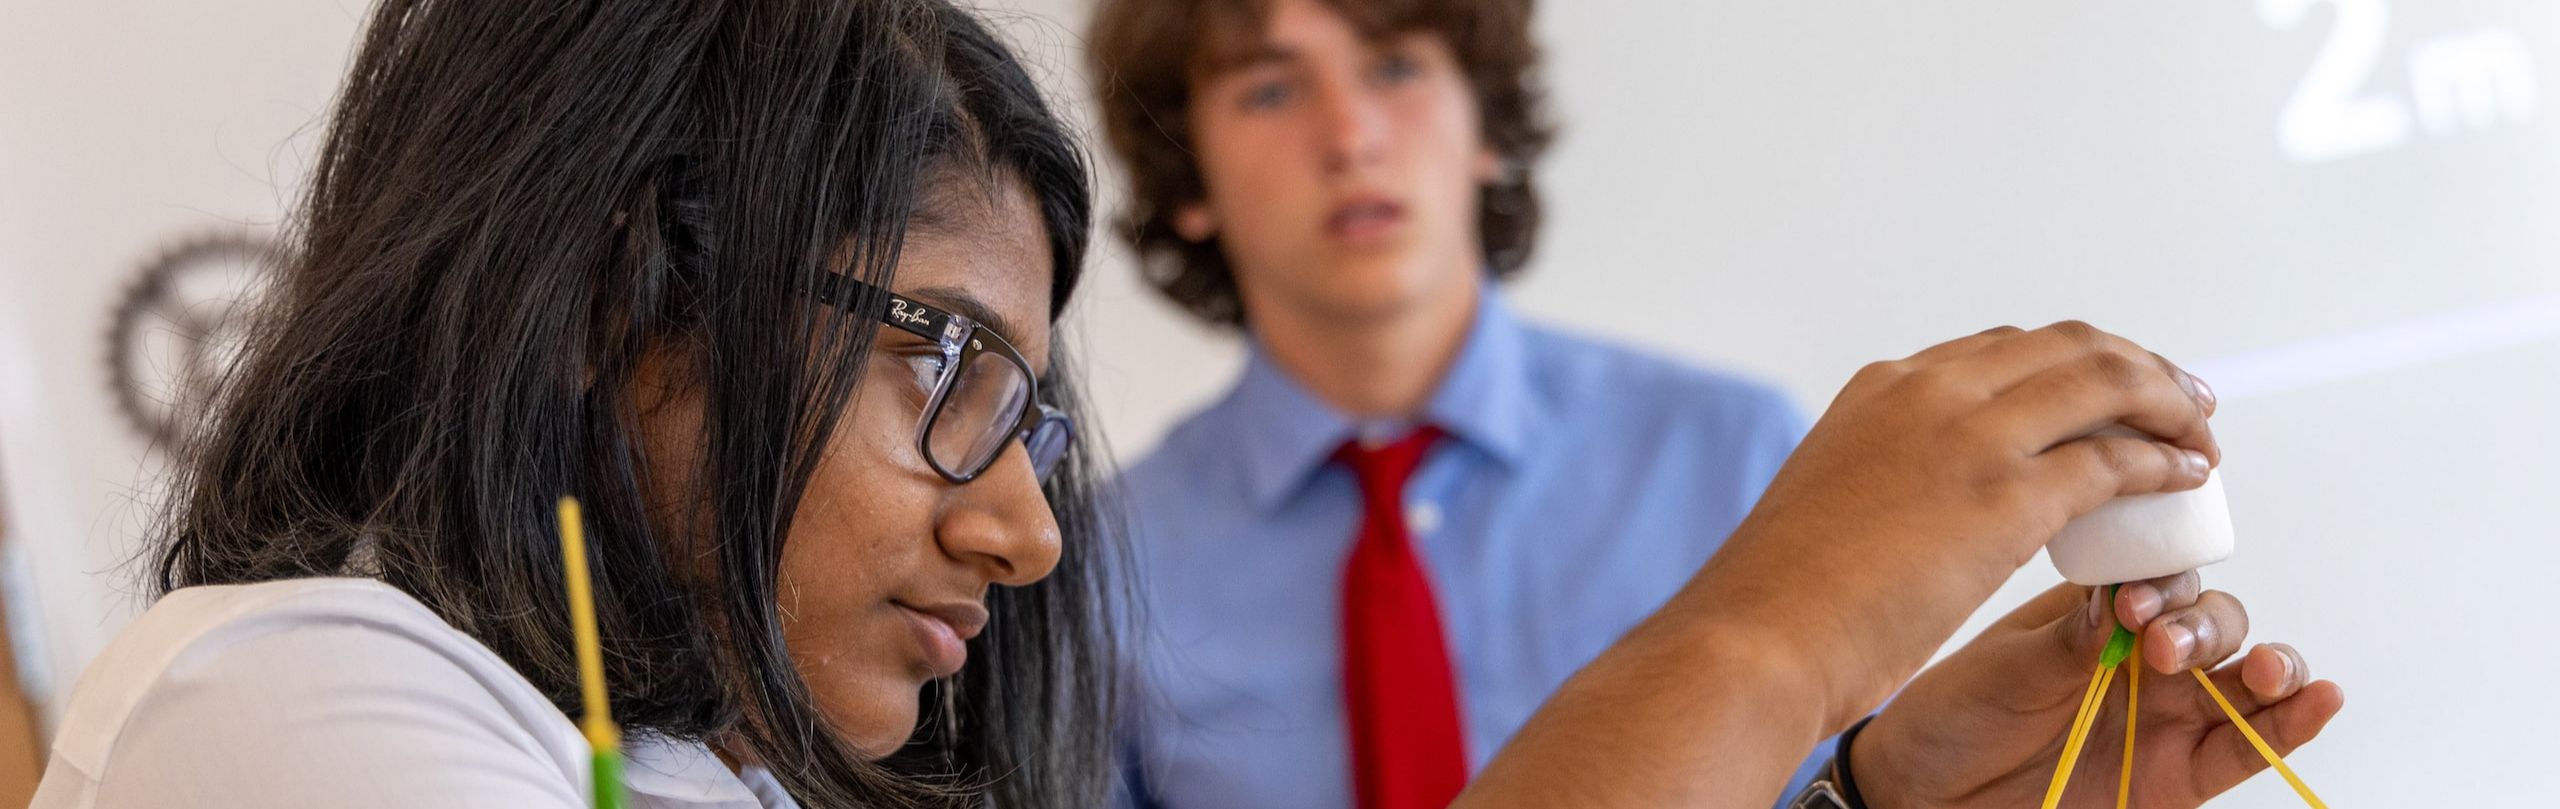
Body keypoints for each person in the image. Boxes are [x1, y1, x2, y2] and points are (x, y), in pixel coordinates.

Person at [27, 0, 2326, 807]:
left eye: (1026, 409)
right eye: (941, 359)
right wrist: (1759, 639)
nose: (1030, 535)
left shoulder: (746, 764)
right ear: (602, 283)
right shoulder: (289, 703)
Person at [1082, 0, 2343, 807]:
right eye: (1267, 86)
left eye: (1397, 62)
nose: (1350, 132)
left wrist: (1883, 796)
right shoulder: (1086, 571)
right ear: (1186, 174)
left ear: (1481, 125)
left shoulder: (1739, 449)